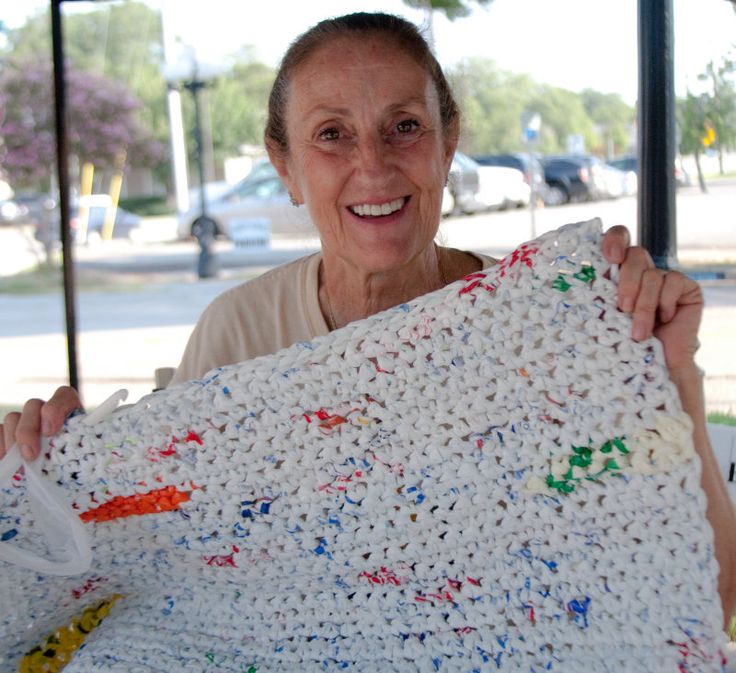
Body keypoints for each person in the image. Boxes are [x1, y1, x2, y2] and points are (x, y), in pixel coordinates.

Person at [1, 12, 734, 626]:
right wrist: (58, 473)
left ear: (449, 142)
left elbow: (710, 596)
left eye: (404, 126)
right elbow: (159, 573)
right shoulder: (234, 337)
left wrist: (671, 376)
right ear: (284, 166)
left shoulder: (561, 330)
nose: (375, 165)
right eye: (331, 134)